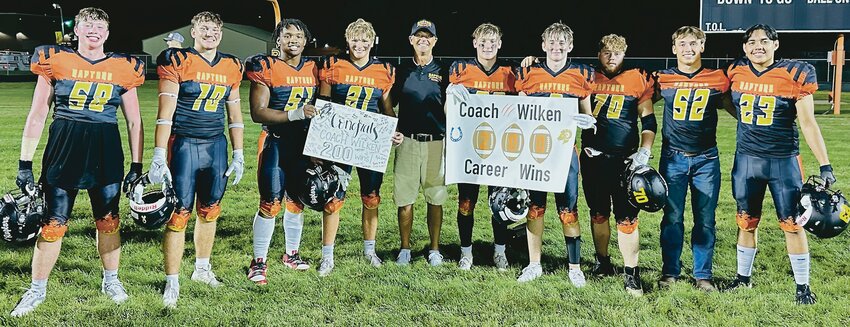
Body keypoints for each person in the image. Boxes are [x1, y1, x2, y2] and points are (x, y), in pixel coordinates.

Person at [11, 7, 145, 317]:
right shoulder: (55, 59)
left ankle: (111, 281)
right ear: (78, 30)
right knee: (53, 224)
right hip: (65, 149)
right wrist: (24, 162)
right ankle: (37, 290)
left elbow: (135, 122)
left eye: (100, 26)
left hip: (105, 150)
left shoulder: (124, 67)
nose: (94, 30)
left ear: (107, 33)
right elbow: (37, 114)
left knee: (108, 221)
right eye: (88, 24)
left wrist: (136, 167)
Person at [725, 24, 835, 305]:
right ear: (744, 47)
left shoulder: (795, 73)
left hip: (783, 161)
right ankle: (742, 279)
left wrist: (825, 165)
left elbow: (808, 123)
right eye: (751, 42)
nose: (757, 46)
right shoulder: (735, 71)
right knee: (746, 222)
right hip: (747, 159)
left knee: (793, 225)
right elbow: (728, 101)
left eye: (764, 41)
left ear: (775, 44)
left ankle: (802, 286)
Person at [151, 11, 245, 308]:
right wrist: (157, 154)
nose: (210, 33)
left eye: (215, 29)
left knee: (211, 210)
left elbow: (235, 114)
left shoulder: (231, 65)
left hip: (215, 145)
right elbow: (165, 113)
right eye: (204, 28)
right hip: (184, 144)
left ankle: (202, 269)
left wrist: (239, 152)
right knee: (179, 214)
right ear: (193, 32)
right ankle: (172, 281)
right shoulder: (178, 60)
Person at [317, 18, 403, 276]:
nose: (360, 44)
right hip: (340, 141)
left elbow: (387, 109)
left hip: (369, 143)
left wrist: (393, 131)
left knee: (371, 197)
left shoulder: (384, 70)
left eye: (365, 40)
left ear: (372, 42)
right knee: (333, 199)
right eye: (355, 39)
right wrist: (319, 144)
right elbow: (323, 104)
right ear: (348, 41)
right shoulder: (334, 66)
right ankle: (327, 256)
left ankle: (369, 250)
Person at [514, 22, 596, 286]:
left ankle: (575, 267)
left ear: (570, 46)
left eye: (562, 43)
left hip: (565, 153)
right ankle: (534, 264)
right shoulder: (529, 71)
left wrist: (589, 121)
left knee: (568, 210)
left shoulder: (581, 74)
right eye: (552, 43)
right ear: (543, 45)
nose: (557, 47)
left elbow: (588, 112)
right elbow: (518, 109)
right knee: (535, 208)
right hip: (536, 152)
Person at [653, 26, 733, 292]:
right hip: (672, 157)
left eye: (694, 43)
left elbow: (738, 108)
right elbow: (639, 103)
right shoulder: (661, 78)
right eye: (682, 43)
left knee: (705, 218)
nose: (688, 48)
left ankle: (703, 275)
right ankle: (670, 272)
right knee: (672, 217)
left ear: (702, 46)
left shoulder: (718, 78)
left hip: (706, 159)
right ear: (674, 48)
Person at [582, 34, 656, 296]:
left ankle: (631, 273)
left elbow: (648, 121)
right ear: (598, 54)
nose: (611, 57)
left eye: (616, 52)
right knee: (598, 212)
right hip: (593, 158)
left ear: (624, 54)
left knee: (627, 218)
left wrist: (644, 151)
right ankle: (602, 263)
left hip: (625, 161)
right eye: (606, 52)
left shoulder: (638, 77)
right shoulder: (586, 76)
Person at [245, 18, 318, 285]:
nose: (293, 40)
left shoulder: (313, 68)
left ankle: (291, 254)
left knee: (297, 202)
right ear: (278, 40)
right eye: (287, 36)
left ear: (306, 40)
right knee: (270, 202)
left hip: (302, 144)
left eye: (298, 35)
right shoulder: (265, 66)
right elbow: (257, 112)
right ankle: (258, 261)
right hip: (275, 141)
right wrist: (295, 114)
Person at [446, 23, 517, 271]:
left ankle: (500, 252)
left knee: (499, 203)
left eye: (493, 42)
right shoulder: (461, 70)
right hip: (470, 148)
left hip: (499, 149)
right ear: (475, 42)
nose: (488, 46)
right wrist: (451, 95)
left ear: (500, 44)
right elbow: (449, 113)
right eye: (483, 42)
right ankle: (466, 252)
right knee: (466, 203)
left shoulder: (511, 72)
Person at [391, 19, 449, 267]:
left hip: (436, 142)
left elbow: (453, 106)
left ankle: (434, 248)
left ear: (434, 40)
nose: (423, 39)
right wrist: (391, 126)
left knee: (435, 197)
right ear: (411, 40)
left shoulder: (445, 70)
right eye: (419, 36)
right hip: (408, 142)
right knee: (405, 199)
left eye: (428, 36)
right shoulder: (401, 71)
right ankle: (405, 247)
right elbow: (387, 101)